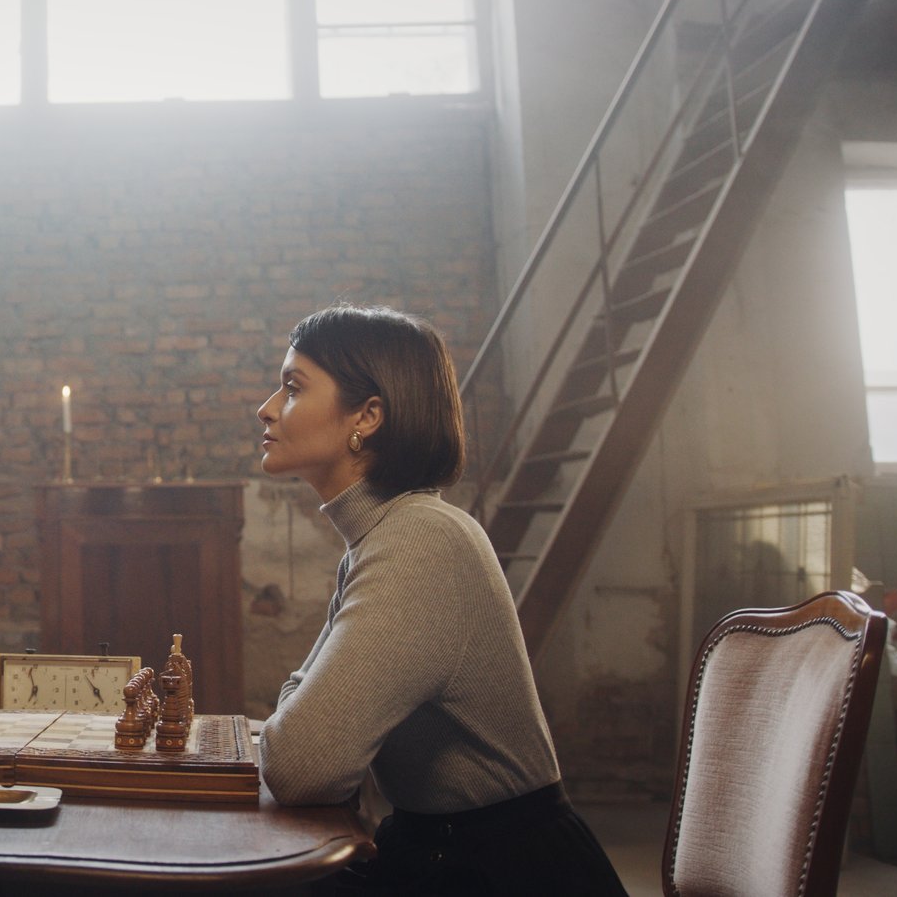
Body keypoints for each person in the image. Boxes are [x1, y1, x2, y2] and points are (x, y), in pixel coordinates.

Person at [254, 304, 624, 896]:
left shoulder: (420, 540)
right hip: (440, 854)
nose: (267, 408)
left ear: (368, 416)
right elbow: (303, 732)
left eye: (293, 388)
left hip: (504, 872)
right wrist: (291, 718)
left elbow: (301, 763)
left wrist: (289, 718)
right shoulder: (384, 538)